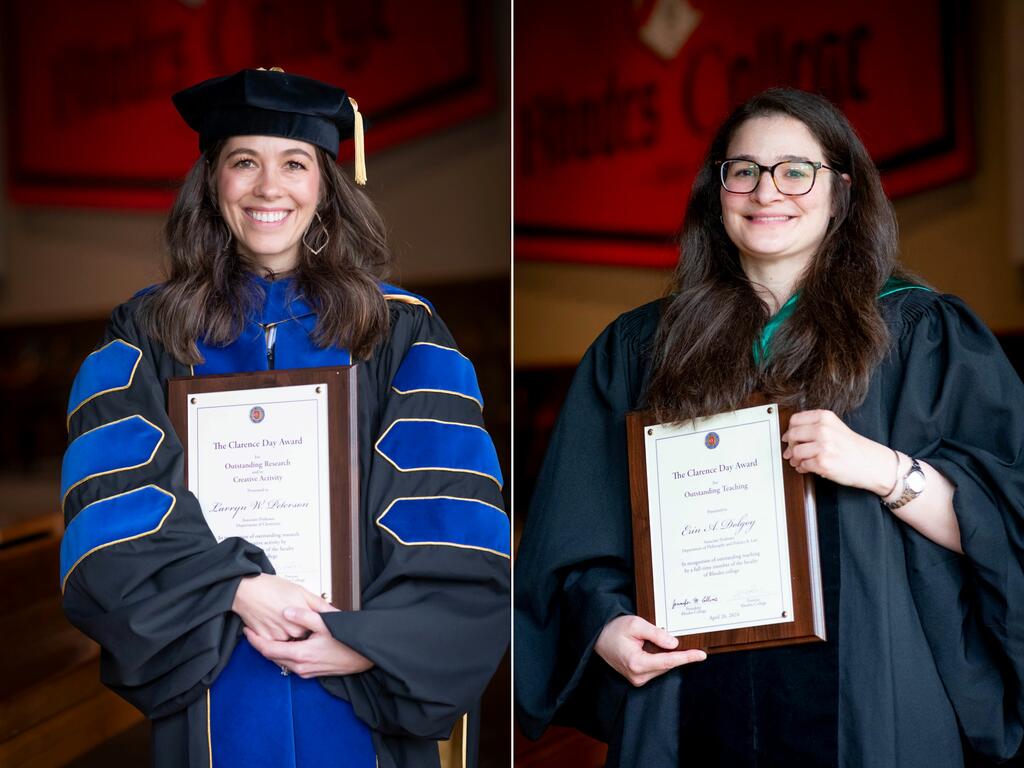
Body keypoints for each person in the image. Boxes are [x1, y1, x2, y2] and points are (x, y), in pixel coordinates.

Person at [514, 88, 1024, 767]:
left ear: (840, 192)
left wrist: (883, 470)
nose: (766, 190)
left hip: (871, 701)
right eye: (743, 170)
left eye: (794, 169)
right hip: (686, 695)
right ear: (717, 190)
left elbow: (1008, 519)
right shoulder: (638, 350)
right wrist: (605, 627)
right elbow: (576, 534)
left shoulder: (922, 336)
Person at [60, 68, 510, 768]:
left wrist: (363, 644)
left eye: (294, 163)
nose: (270, 187)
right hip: (213, 665)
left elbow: (452, 522)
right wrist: (237, 587)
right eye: (245, 162)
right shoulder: (145, 336)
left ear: (325, 185)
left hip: (358, 679)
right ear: (213, 183)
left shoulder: (402, 334)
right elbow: (111, 507)